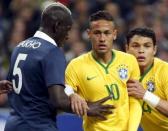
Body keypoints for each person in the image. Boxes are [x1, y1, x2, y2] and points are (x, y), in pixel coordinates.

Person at [5, 3, 112, 131]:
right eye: (67, 29)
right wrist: (88, 107)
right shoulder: (52, 52)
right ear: (57, 26)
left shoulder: (20, 47)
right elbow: (58, 100)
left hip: (12, 125)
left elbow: (10, 87)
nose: (67, 36)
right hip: (38, 126)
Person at [65, 11, 142, 131]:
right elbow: (65, 89)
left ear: (115, 34)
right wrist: (71, 94)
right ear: (89, 34)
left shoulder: (129, 61)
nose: (102, 39)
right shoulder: (76, 65)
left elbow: (135, 100)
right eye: (97, 33)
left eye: (107, 33)